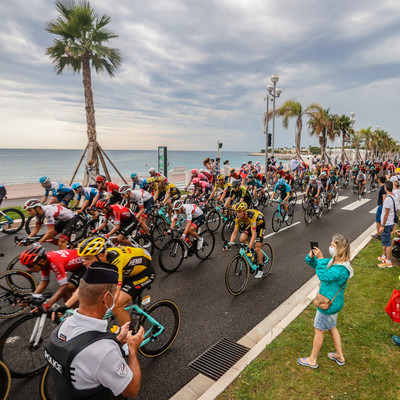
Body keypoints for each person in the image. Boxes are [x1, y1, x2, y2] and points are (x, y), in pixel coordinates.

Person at [44, 261, 144, 399]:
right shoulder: (104, 351)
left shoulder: (64, 324)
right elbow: (132, 390)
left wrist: (117, 340)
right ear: (107, 298)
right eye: (114, 295)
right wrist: (132, 350)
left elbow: (85, 354)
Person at [298, 234, 354, 369]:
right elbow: (316, 265)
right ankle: (339, 355)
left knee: (319, 330)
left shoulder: (341, 268)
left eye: (333, 246)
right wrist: (312, 256)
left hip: (327, 305)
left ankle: (312, 359)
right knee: (331, 328)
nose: (330, 247)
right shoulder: (335, 262)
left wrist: (321, 258)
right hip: (332, 304)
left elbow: (324, 275)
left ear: (340, 249)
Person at [77, 237, 155, 326]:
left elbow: (116, 290)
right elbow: (86, 284)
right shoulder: (100, 259)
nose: (83, 262)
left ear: (100, 256)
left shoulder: (116, 260)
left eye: (87, 259)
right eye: (83, 259)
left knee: (116, 306)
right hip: (130, 271)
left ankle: (132, 336)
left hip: (145, 273)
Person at [19, 244, 86, 311]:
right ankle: (75, 309)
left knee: (67, 290)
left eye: (30, 266)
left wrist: (48, 304)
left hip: (84, 265)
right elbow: (44, 282)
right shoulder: (45, 262)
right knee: (66, 292)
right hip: (77, 266)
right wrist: (31, 297)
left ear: (41, 262)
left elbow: (64, 287)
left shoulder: (54, 262)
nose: (28, 269)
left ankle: (80, 314)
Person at [224, 202, 266, 279]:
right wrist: (229, 244)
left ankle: (260, 268)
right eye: (236, 212)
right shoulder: (237, 218)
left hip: (260, 224)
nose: (237, 214)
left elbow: (254, 234)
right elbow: (235, 232)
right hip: (251, 224)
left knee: (257, 247)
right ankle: (252, 252)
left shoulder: (251, 216)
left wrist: (249, 246)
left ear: (245, 211)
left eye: (239, 212)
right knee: (242, 239)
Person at [377, 180, 398, 268]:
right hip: (391, 222)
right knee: (385, 241)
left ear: (385, 188)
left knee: (387, 243)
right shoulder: (395, 197)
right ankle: (385, 257)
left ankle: (388, 261)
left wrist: (382, 225)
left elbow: (386, 214)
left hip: (387, 223)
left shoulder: (387, 200)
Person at [373, 175, 387, 240]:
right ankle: (379, 233)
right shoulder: (385, 187)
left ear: (380, 181)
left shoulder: (382, 188)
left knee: (378, 221)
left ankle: (378, 234)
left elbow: (384, 198)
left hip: (381, 206)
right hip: (382, 206)